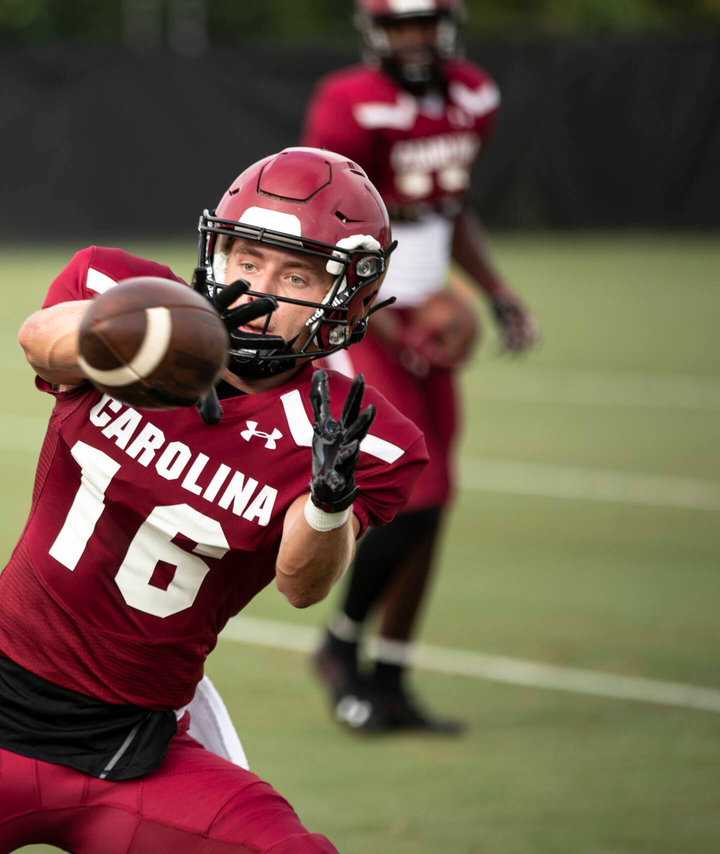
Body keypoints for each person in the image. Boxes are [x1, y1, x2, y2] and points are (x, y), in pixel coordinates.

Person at [0, 148, 429, 854]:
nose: (261, 290)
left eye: (295, 274)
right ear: (214, 253)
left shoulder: (361, 432)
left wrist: (329, 497)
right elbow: (37, 343)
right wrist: (144, 338)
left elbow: (302, 584)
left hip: (138, 755)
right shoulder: (123, 293)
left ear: (347, 301)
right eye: (245, 260)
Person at [301, 0, 539, 734]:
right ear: (376, 30)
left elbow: (451, 208)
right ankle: (340, 650)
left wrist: (495, 292)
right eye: (400, 24)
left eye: (425, 22)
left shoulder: (472, 94)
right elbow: (324, 220)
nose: (414, 38)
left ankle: (394, 680)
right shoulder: (350, 103)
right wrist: (387, 311)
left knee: (438, 502)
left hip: (427, 304)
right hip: (365, 311)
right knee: (416, 491)